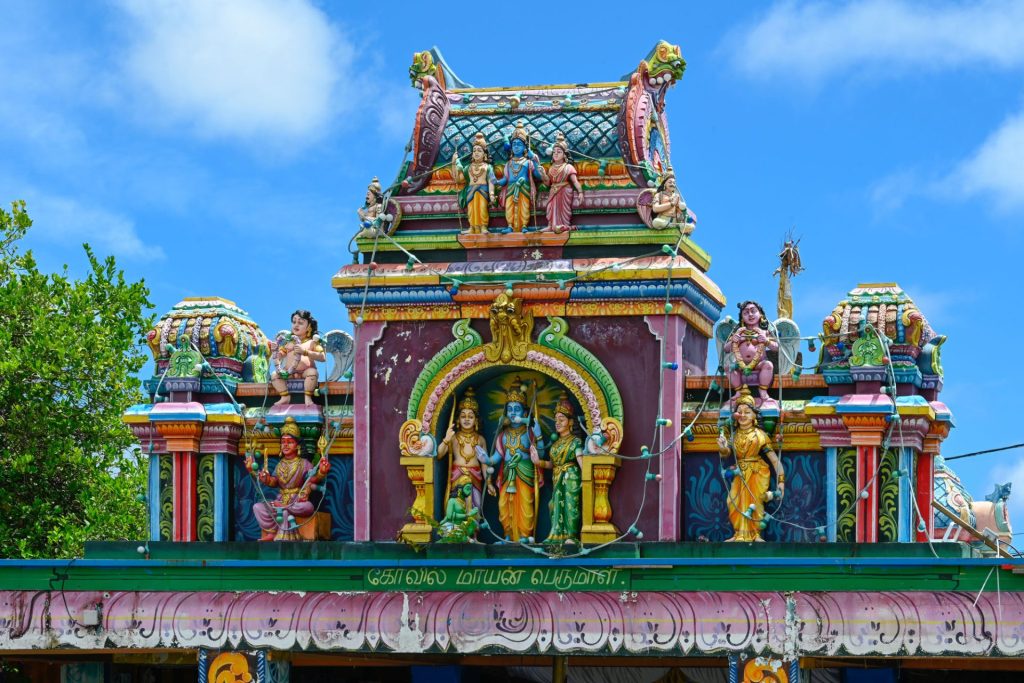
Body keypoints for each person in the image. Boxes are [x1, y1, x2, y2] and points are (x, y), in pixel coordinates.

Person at [717, 387, 784, 542]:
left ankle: (755, 534)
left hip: (756, 472)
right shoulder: (734, 435)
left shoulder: (760, 435)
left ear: (754, 415)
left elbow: (774, 460)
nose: (742, 415)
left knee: (755, 502)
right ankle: (739, 534)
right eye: (739, 412)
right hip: (739, 472)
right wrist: (722, 447)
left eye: (747, 412)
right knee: (733, 501)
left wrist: (781, 482)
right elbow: (727, 453)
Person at [248, 417, 330, 541]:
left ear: (297, 445)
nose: (285, 445)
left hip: (297, 501)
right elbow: (274, 482)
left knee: (308, 507)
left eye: (290, 442)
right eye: (283, 442)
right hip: (279, 500)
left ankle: (284, 508)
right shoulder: (280, 464)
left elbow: (312, 479)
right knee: (258, 507)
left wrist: (322, 472)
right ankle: (271, 532)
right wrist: (266, 479)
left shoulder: (304, 463)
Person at [492, 378, 544, 541]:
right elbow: (495, 458)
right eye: (510, 409)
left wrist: (538, 435)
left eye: (517, 409)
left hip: (525, 473)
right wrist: (485, 458)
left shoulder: (528, 433)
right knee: (504, 505)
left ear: (524, 412)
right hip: (508, 474)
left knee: (525, 505)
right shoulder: (502, 435)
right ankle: (507, 534)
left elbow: (541, 455)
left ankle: (524, 535)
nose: (513, 412)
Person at [535, 393, 583, 545]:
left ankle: (571, 536)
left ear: (570, 422)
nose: (558, 423)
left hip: (571, 477)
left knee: (570, 506)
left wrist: (586, 479)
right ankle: (557, 535)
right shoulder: (555, 444)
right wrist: (537, 461)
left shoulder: (576, 441)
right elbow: (551, 464)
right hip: (557, 477)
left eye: (561, 420)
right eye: (556, 420)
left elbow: (581, 462)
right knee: (553, 505)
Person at [437, 388, 496, 511]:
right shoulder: (453, 437)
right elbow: (439, 455)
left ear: (476, 420)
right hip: (457, 476)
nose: (467, 419)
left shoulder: (480, 439)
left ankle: (473, 530)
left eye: (471, 416)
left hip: (475, 477)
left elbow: (484, 464)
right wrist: (446, 439)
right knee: (457, 507)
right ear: (458, 420)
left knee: (475, 508)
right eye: (463, 416)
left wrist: (489, 483)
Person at [493, 122, 546, 232]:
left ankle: (524, 226)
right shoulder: (508, 164)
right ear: (511, 147)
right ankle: (510, 226)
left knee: (524, 207)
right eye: (514, 144)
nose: (516, 146)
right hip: (511, 189)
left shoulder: (528, 162)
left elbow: (537, 175)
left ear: (524, 148)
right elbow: (505, 179)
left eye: (519, 144)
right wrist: (496, 181)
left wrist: (535, 161)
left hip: (524, 188)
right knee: (509, 207)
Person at [270, 310, 326, 407]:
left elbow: (322, 357)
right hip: (289, 373)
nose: (296, 325)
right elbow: (280, 355)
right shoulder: (289, 342)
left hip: (305, 372)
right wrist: (275, 351)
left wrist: (305, 352)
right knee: (275, 375)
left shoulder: (312, 342)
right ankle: (285, 396)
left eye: (300, 323)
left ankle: (307, 397)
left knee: (313, 372)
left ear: (309, 327)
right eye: (294, 322)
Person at [727, 301, 778, 407]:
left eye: (753, 311)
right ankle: (738, 391)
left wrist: (766, 341)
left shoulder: (766, 332)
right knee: (728, 367)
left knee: (768, 365)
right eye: (745, 313)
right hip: (740, 365)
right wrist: (734, 341)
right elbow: (726, 349)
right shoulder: (738, 333)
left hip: (759, 364)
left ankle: (763, 391)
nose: (750, 315)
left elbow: (777, 347)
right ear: (742, 317)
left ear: (761, 315)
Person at [453, 133, 495, 234]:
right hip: (470, 191)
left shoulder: (487, 167)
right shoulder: (468, 168)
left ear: (484, 154)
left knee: (482, 209)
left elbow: (491, 181)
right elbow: (458, 180)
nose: (476, 153)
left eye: (479, 150)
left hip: (483, 191)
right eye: (474, 150)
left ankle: (483, 226)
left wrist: (492, 194)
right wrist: (454, 163)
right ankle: (472, 227)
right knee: (472, 210)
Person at [542, 132, 583, 233]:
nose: (555, 154)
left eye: (559, 152)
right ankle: (551, 225)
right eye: (554, 152)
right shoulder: (551, 168)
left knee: (562, 210)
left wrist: (580, 192)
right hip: (553, 190)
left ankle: (564, 225)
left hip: (564, 191)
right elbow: (548, 183)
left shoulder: (568, 167)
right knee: (550, 208)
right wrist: (543, 174)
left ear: (564, 154)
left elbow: (575, 181)